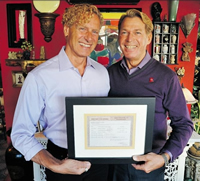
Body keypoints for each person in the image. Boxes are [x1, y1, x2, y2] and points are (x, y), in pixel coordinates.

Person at [11, 4, 110, 181]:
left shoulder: (103, 74)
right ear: (66, 29)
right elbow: (20, 134)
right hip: (60, 159)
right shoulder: (39, 77)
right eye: (82, 29)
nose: (89, 37)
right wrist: (55, 164)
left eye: (94, 31)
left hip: (100, 163)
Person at [108, 9, 193, 181]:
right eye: (124, 32)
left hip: (150, 169)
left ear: (148, 38)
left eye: (137, 32)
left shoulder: (166, 77)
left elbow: (184, 125)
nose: (129, 39)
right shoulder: (108, 74)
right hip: (113, 168)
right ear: (118, 38)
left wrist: (164, 157)